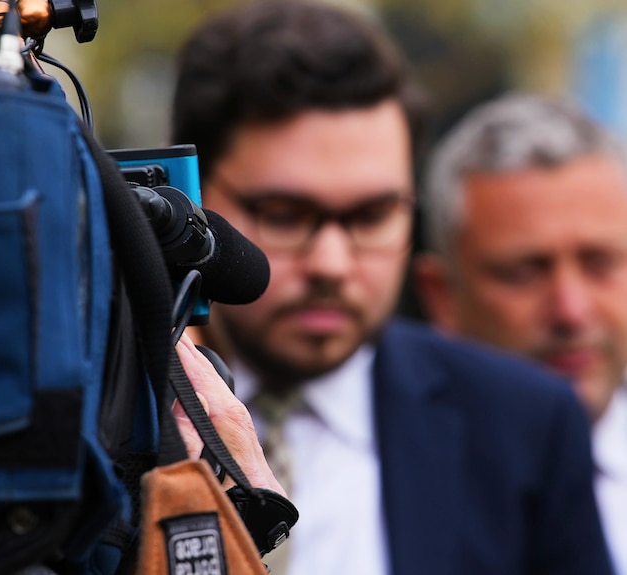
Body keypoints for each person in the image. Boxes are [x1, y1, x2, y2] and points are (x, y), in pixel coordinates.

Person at [171, 1, 613, 574]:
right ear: (185, 193)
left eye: (373, 215)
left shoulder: (528, 429)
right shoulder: (100, 415)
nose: (332, 262)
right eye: (283, 214)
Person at [414, 92, 627, 574]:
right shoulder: (389, 478)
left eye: (600, 264)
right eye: (523, 272)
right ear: (441, 295)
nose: (570, 311)